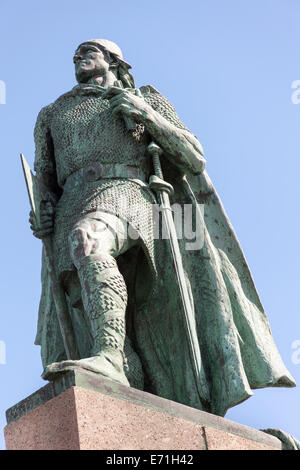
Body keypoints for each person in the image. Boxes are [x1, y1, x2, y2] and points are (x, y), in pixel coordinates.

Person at [30, 39, 295, 417]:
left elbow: (194, 156)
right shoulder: (52, 114)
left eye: (89, 51)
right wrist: (44, 212)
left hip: (128, 193)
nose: (79, 57)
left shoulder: (144, 97)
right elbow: (46, 177)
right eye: (74, 54)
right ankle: (124, 365)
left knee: (87, 239)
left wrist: (147, 116)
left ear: (114, 61)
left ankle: (109, 357)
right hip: (74, 202)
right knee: (82, 263)